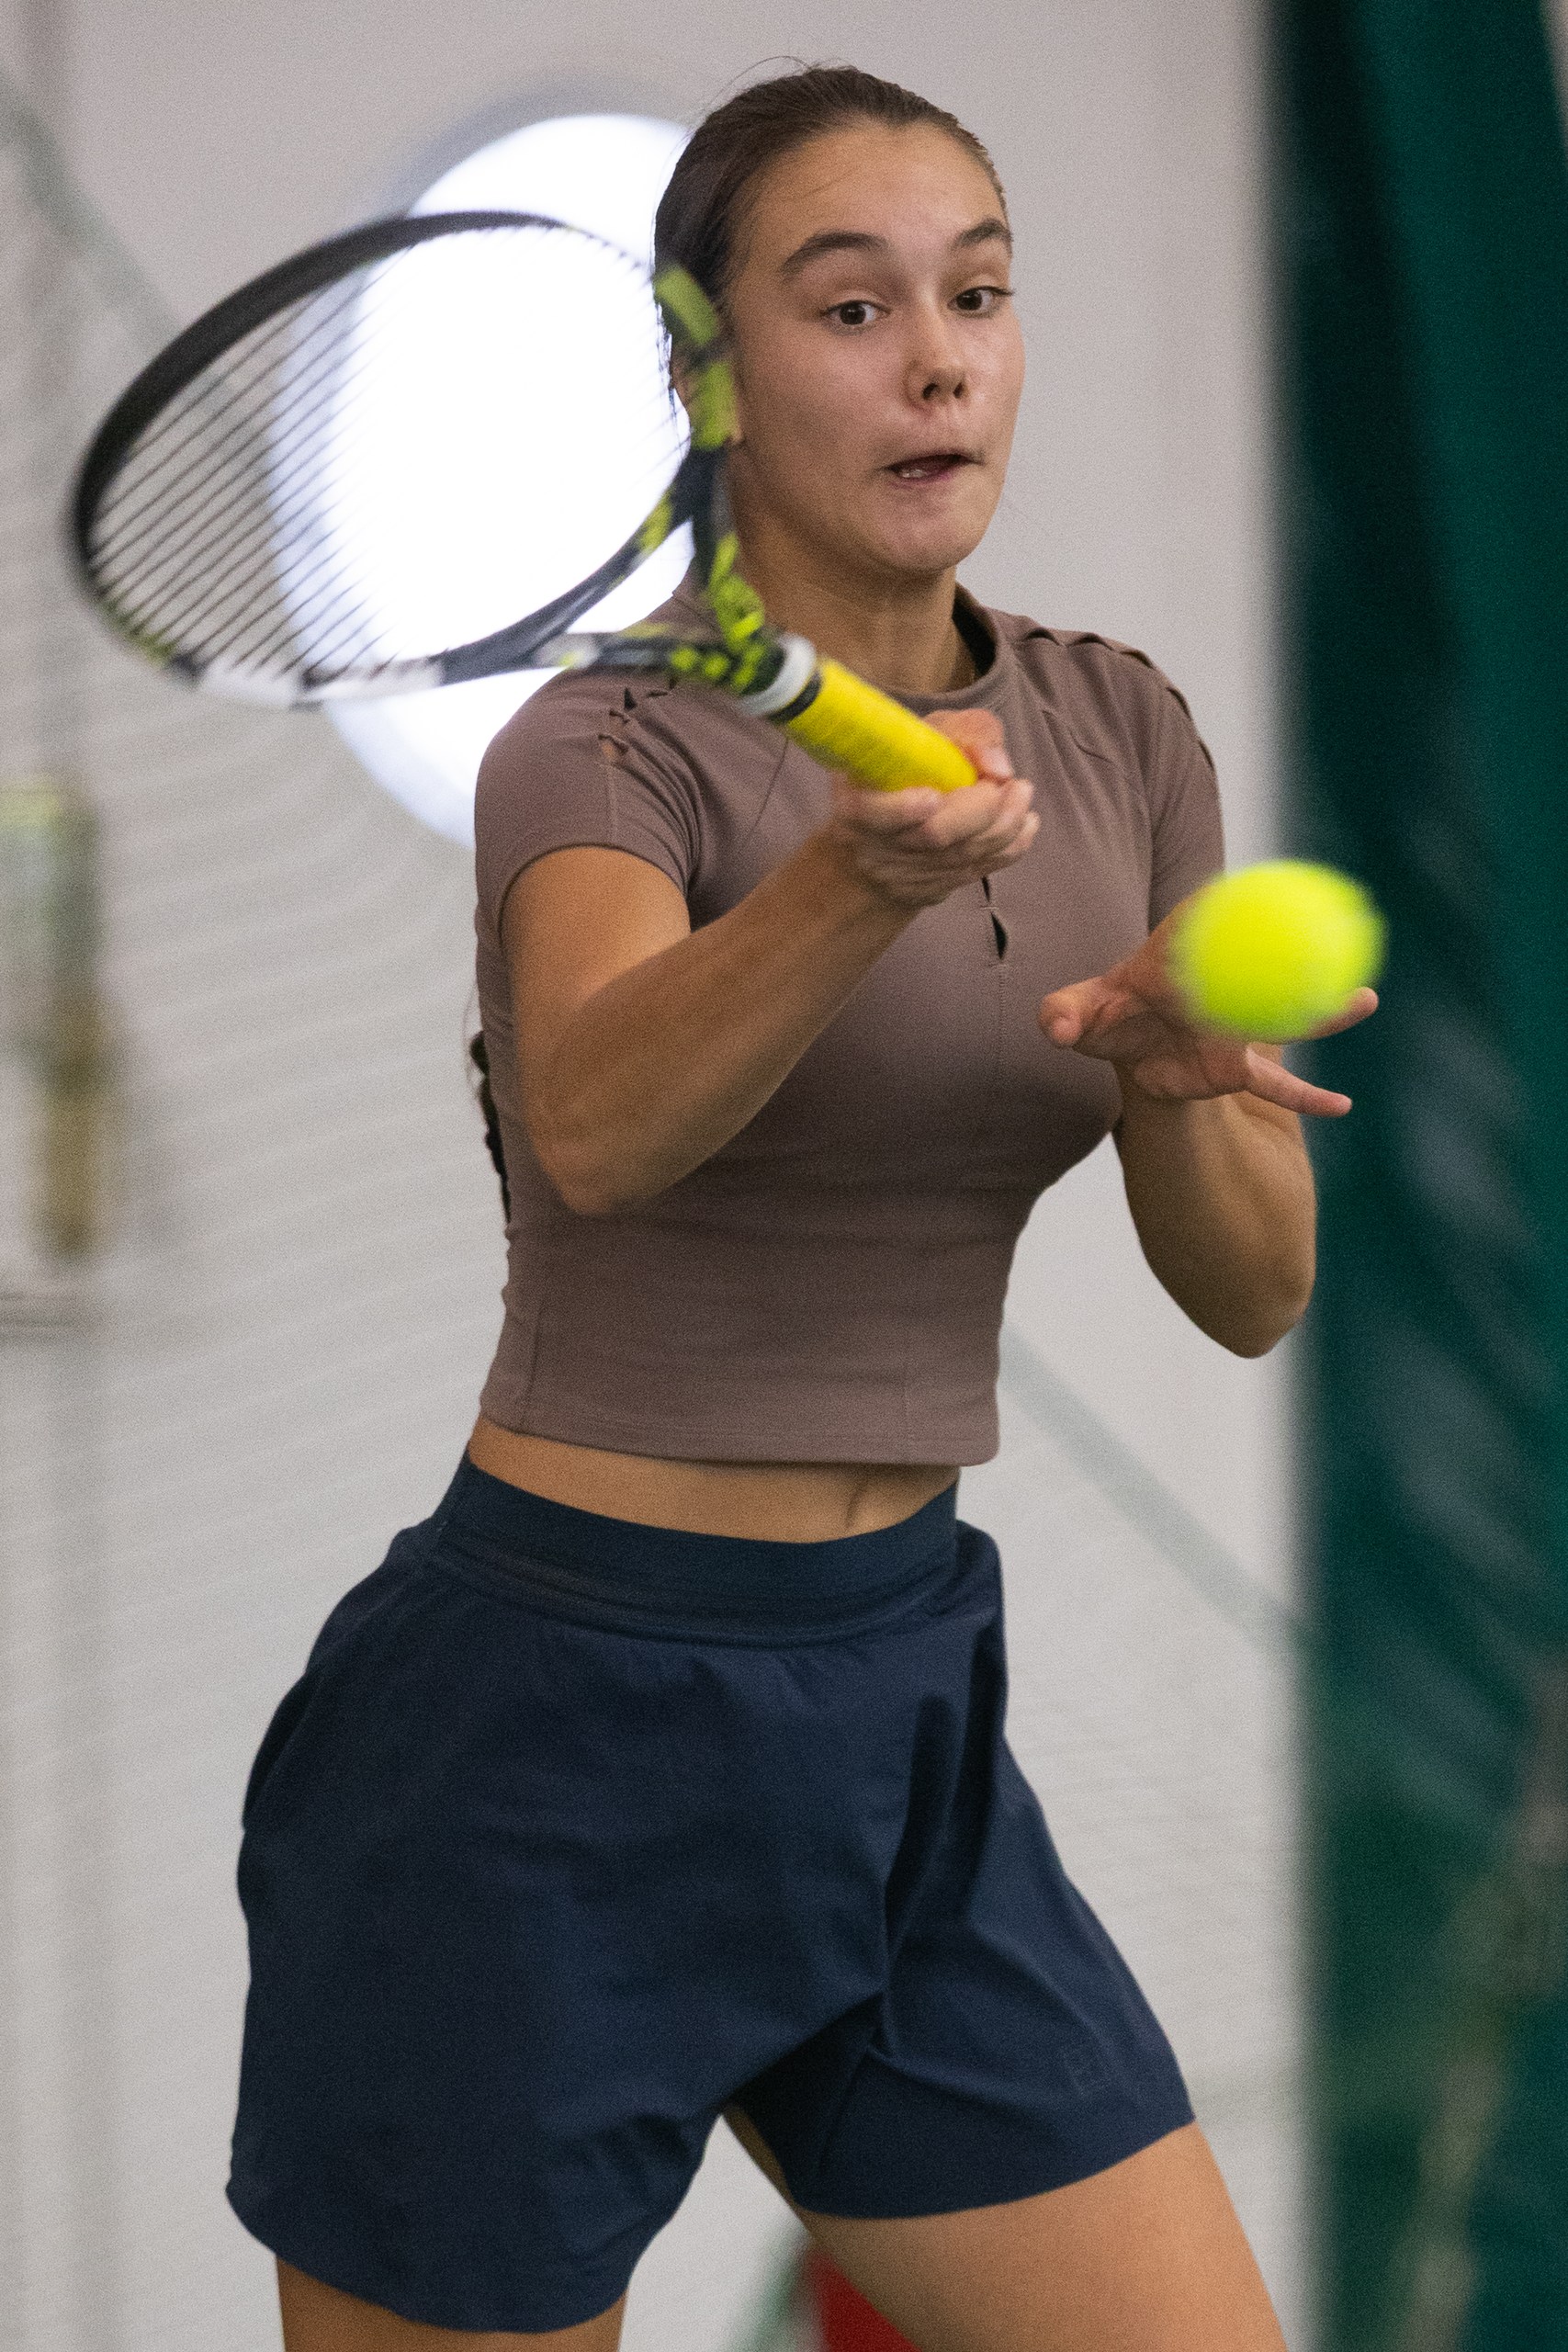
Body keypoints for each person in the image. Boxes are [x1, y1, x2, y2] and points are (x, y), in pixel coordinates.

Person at [228, 63, 1373, 2352]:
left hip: (896, 1703)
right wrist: (849, 884)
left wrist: (1167, 1083)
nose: (936, 360)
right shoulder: (605, 748)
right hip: (541, 1734)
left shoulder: (1119, 732)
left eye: (978, 296)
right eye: (850, 307)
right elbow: (595, 1122)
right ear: (705, 368)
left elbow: (1252, 1290)